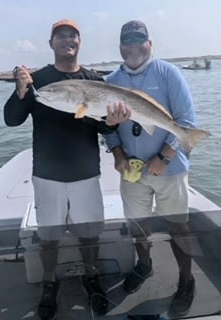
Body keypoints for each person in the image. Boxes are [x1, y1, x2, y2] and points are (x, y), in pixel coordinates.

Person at [4, 19, 130, 319]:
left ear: (79, 42)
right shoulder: (39, 80)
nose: (66, 40)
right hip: (47, 174)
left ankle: (91, 277)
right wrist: (20, 91)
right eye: (60, 36)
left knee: (90, 235)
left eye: (72, 35)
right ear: (51, 44)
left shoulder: (94, 81)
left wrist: (112, 123)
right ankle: (49, 285)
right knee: (49, 236)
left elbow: (102, 126)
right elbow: (12, 119)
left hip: (86, 171)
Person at [104, 20, 196, 317]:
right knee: (136, 225)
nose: (133, 45)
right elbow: (106, 128)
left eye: (139, 39)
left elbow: (186, 120)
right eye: (127, 39)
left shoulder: (168, 73)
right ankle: (144, 265)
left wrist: (165, 157)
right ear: (120, 46)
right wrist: (117, 155)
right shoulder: (110, 80)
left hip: (170, 168)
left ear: (150, 43)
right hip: (132, 172)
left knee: (177, 225)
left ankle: (186, 279)